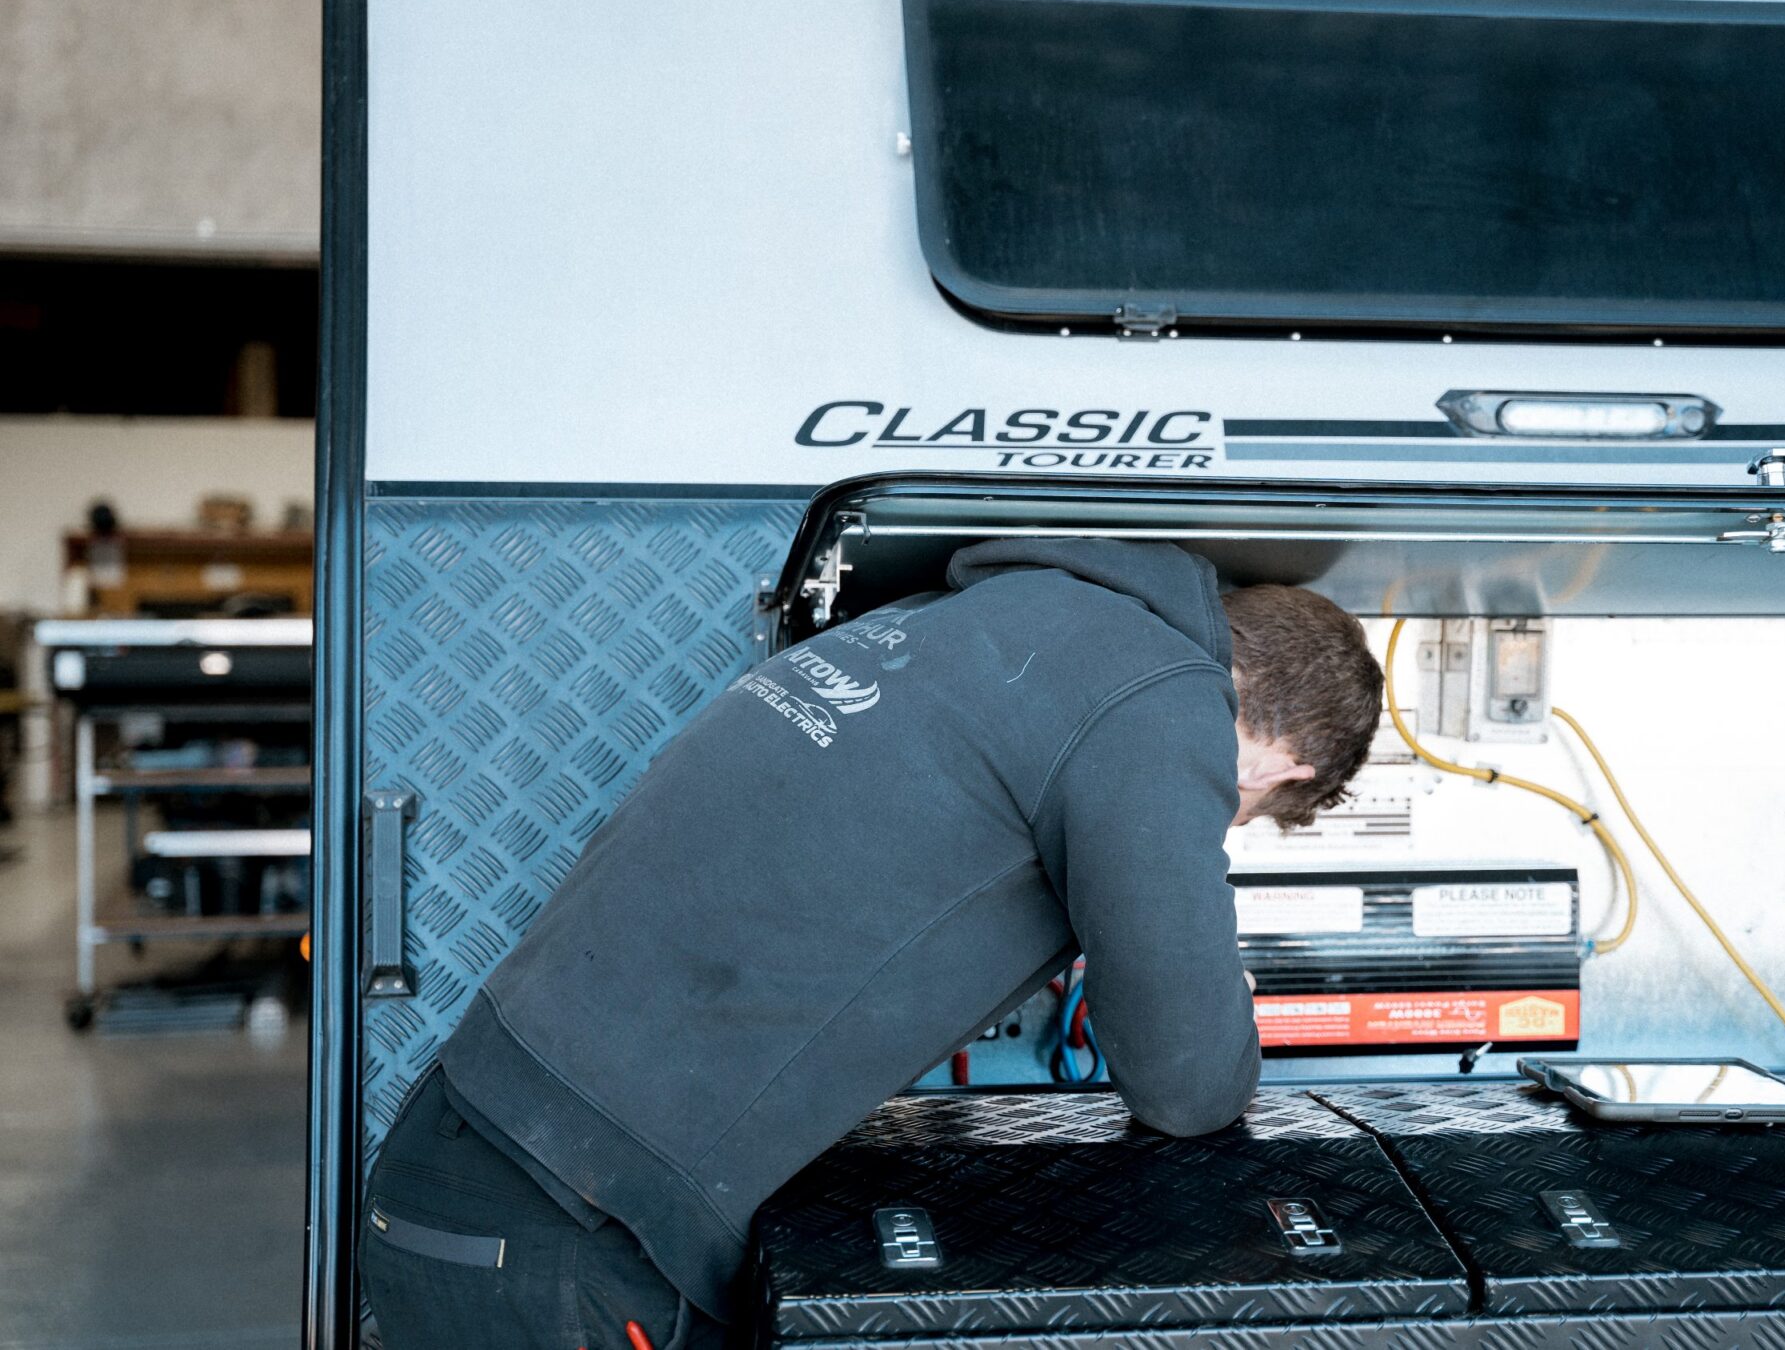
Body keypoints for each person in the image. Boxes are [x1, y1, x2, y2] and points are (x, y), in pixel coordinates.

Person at [361, 538, 1383, 1349]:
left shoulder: (991, 613)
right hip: (570, 1231)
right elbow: (1189, 1084)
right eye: (1235, 818)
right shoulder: (1159, 705)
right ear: (1282, 763)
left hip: (481, 1155)